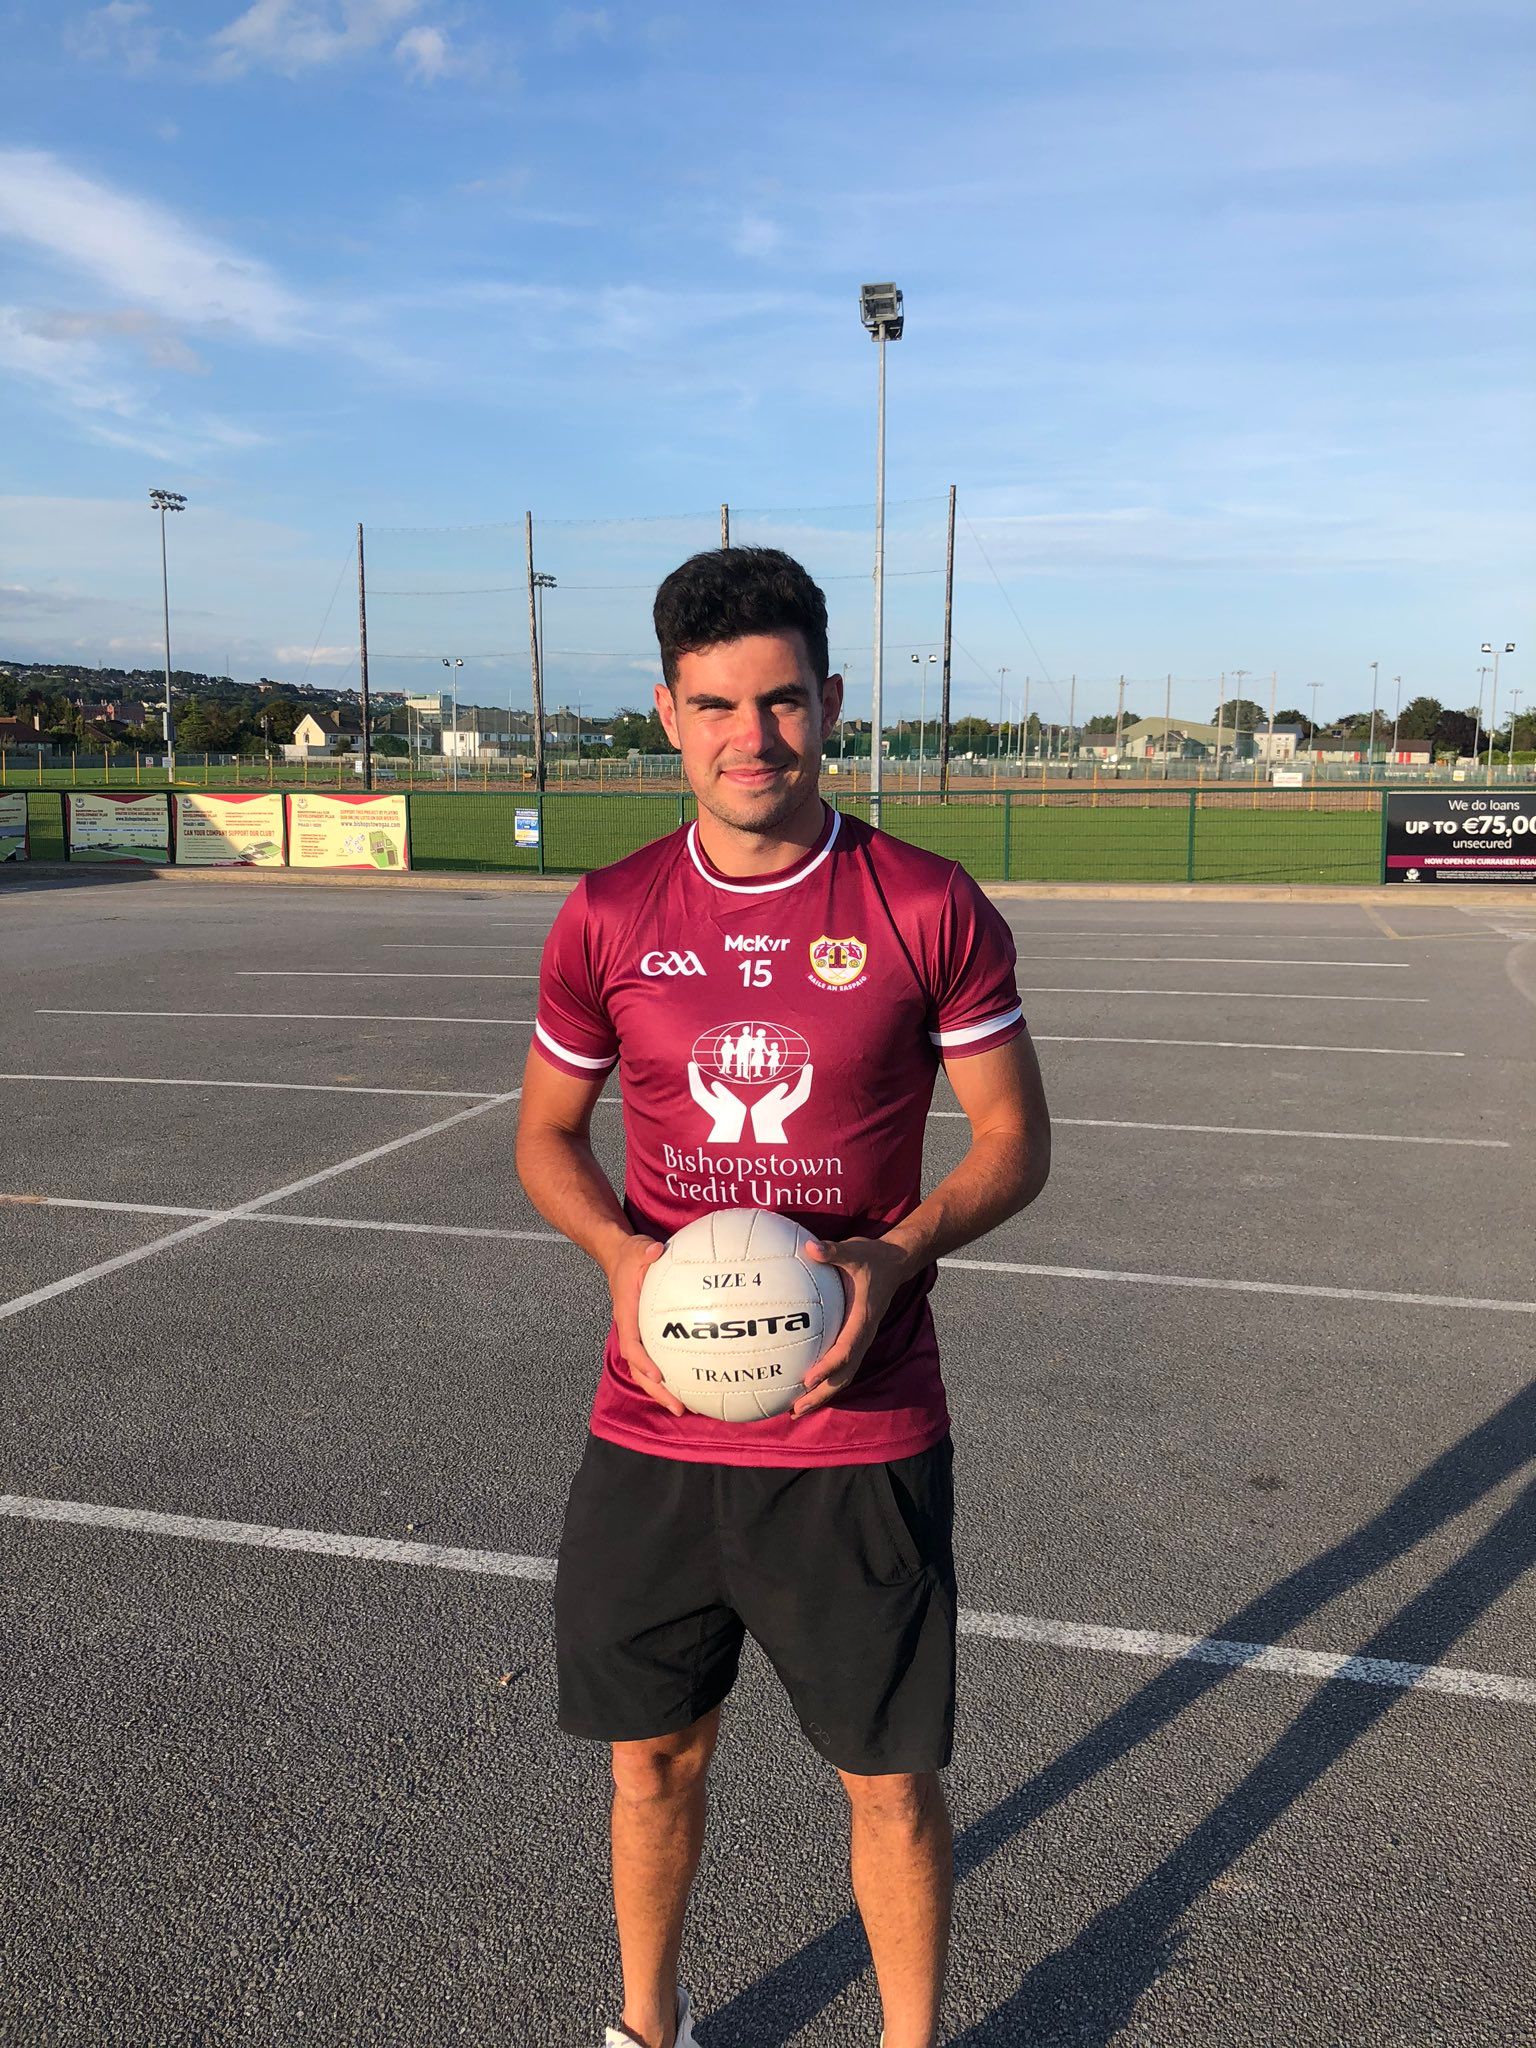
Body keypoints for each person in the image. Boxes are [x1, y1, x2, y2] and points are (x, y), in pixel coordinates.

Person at [515, 547, 1051, 2048]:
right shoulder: (608, 914)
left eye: (784, 701)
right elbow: (547, 1138)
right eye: (716, 706)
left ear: (831, 699)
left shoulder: (924, 903)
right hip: (655, 1425)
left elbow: (1015, 1142)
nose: (753, 738)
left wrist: (898, 1252)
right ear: (668, 716)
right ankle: (647, 2026)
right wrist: (621, 1255)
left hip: (857, 1429)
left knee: (887, 1782)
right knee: (648, 1761)